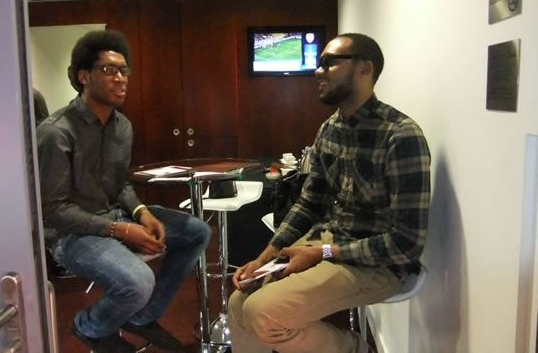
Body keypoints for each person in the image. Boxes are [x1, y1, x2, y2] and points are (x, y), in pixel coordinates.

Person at [229, 33, 431, 353]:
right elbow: (310, 202)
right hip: (326, 243)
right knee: (239, 301)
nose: (317, 71)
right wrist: (263, 257)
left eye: (329, 63)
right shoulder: (330, 129)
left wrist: (323, 253)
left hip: (376, 264)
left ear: (365, 69)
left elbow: (407, 243)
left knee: (262, 312)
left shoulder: (400, 135)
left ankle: (355, 348)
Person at [37, 30, 211, 353]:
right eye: (108, 70)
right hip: (69, 235)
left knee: (196, 231)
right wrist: (121, 229)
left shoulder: (122, 127)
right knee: (139, 281)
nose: (120, 78)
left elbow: (119, 186)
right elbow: (53, 210)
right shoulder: (56, 133)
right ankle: (88, 325)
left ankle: (143, 317)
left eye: (124, 70)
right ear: (83, 76)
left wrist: (141, 213)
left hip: (112, 216)